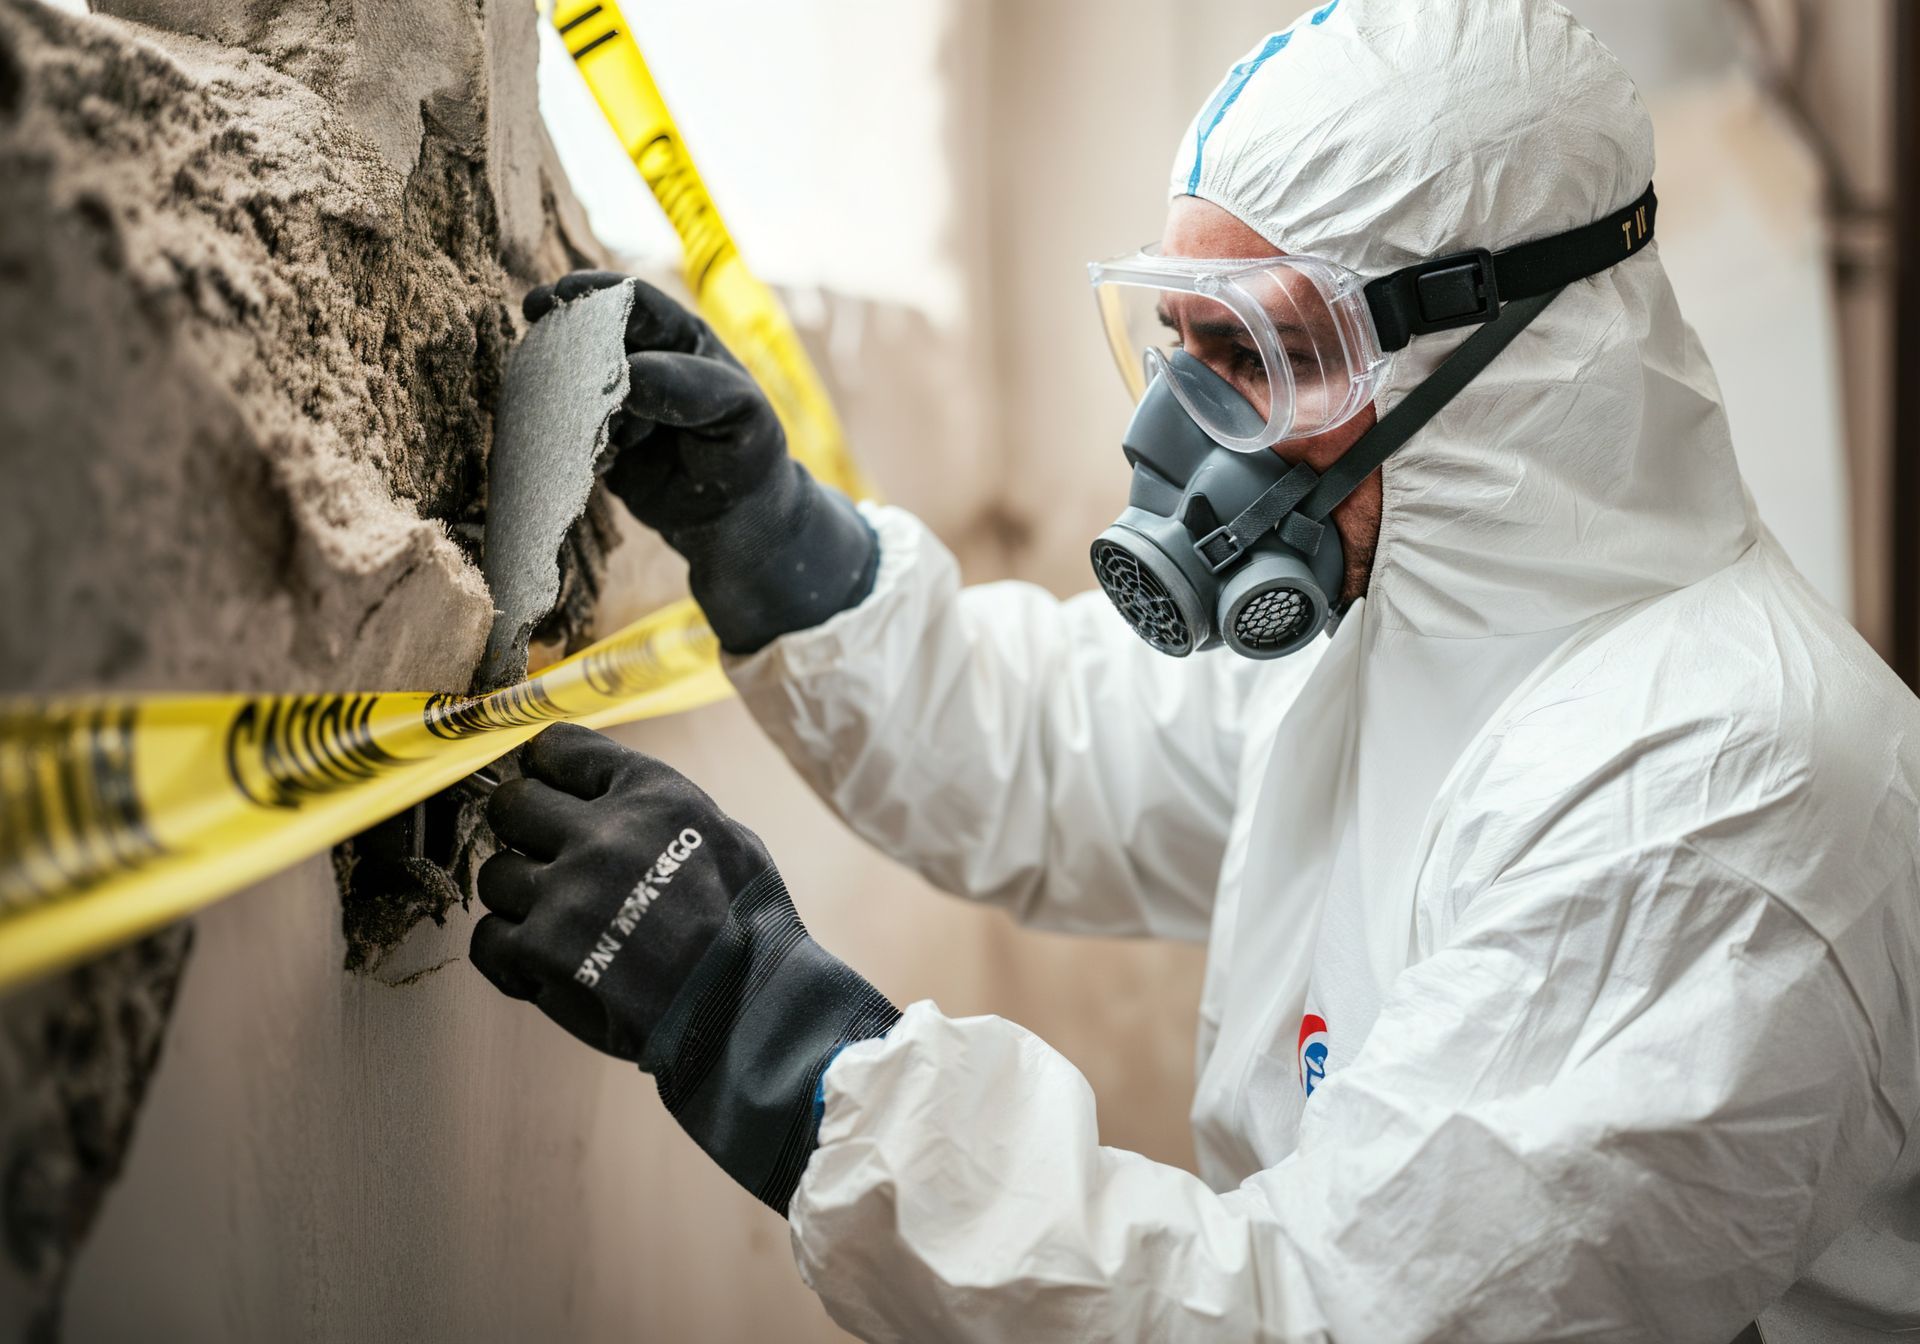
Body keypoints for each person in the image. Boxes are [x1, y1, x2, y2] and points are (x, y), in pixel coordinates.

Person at [468, 1, 1920, 1339]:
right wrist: (770, 538)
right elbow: (1061, 753)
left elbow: (1326, 1314)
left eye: (1260, 356)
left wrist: (770, 1037)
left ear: (1513, 363)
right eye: (1177, 340)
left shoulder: (1722, 804)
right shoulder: (1412, 611)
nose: (1180, 431)